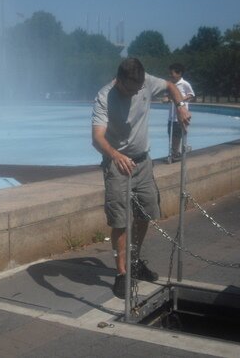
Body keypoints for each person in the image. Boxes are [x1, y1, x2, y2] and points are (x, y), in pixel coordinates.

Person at [91, 57, 191, 299]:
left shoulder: (145, 82)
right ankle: (122, 273)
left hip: (143, 161)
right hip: (117, 163)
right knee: (120, 221)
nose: (136, 93)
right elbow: (97, 138)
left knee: (146, 212)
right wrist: (115, 155)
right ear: (120, 81)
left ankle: (135, 261)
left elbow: (169, 86)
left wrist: (180, 106)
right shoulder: (105, 96)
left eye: (139, 89)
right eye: (131, 89)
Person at [166, 63, 195, 160]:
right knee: (171, 133)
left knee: (177, 134)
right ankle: (175, 152)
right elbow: (168, 96)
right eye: (169, 73)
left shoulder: (185, 84)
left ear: (179, 74)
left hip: (180, 115)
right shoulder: (170, 84)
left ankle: (176, 154)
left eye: (172, 73)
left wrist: (181, 99)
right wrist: (167, 99)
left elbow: (191, 95)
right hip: (172, 115)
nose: (170, 75)